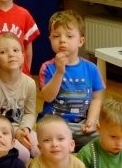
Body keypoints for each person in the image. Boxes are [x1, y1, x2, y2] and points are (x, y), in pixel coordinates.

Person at [39, 10, 104, 149]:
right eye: (56, 36)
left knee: (103, 139)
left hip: (81, 126)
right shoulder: (47, 67)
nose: (62, 40)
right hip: (54, 125)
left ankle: (77, 154)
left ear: (80, 41)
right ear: (50, 39)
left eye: (69, 36)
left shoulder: (91, 68)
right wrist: (59, 72)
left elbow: (96, 98)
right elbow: (48, 97)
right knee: (47, 138)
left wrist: (91, 121)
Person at [0, 32, 38, 163]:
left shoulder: (30, 83)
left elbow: (30, 112)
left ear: (23, 55)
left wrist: (25, 129)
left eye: (16, 50)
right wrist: (15, 132)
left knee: (39, 149)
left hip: (22, 128)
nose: (11, 54)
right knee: (23, 154)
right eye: (3, 52)